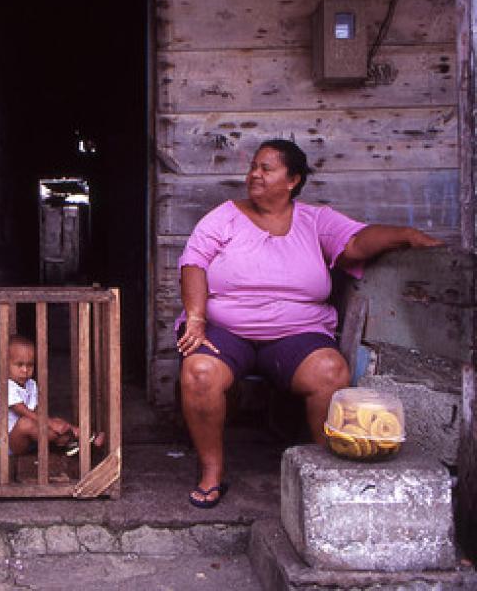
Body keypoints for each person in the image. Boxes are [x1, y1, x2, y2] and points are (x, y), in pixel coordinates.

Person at [176, 138, 442, 509]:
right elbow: (193, 263)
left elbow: (357, 242)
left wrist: (405, 235)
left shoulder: (316, 220)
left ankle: (323, 474)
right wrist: (197, 318)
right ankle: (211, 471)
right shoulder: (225, 216)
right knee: (199, 371)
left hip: (296, 334)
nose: (254, 174)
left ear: (293, 179)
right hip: (227, 331)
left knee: (330, 372)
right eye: (254, 166)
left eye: (266, 169)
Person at [0, 334, 105, 455]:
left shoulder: (31, 384)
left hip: (29, 438)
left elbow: (36, 411)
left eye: (30, 365)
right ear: (4, 364)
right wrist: (50, 424)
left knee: (53, 420)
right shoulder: (4, 387)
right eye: (19, 365)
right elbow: (24, 412)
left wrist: (55, 423)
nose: (25, 370)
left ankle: (80, 434)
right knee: (27, 422)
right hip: (9, 444)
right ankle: (71, 440)